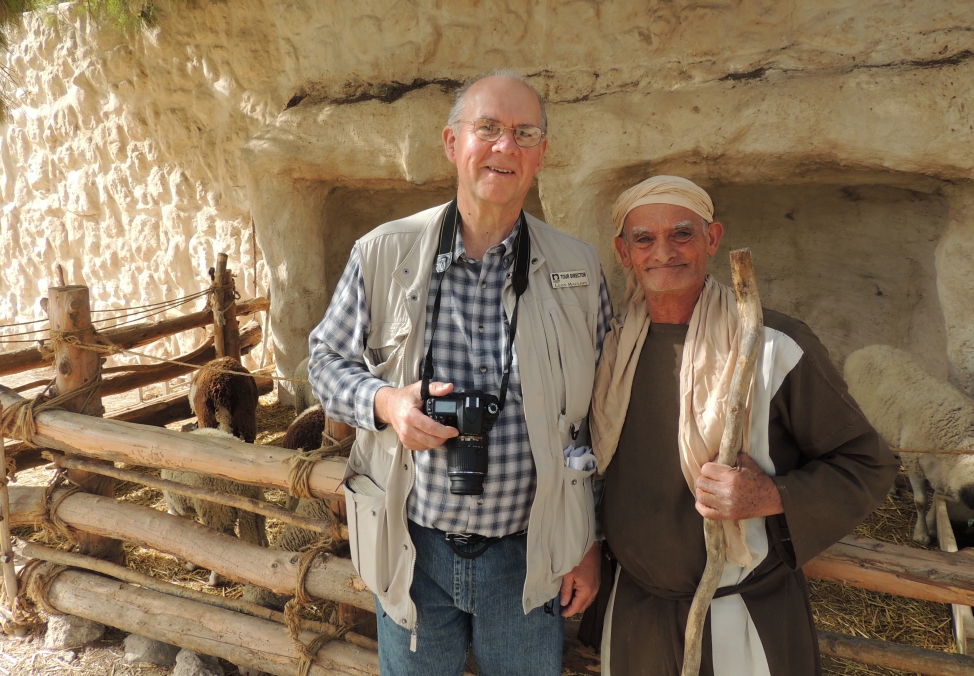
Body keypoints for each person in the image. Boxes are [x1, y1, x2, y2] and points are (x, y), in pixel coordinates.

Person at [307, 70, 613, 676]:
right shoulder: (382, 253)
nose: (506, 146)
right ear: (452, 143)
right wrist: (387, 403)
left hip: (531, 555)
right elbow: (323, 365)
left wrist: (590, 540)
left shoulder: (577, 270)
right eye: (488, 128)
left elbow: (602, 421)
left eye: (525, 133)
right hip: (412, 549)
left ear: (542, 155)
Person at [585, 175, 899, 676]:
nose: (663, 251)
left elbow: (867, 464)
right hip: (634, 614)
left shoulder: (772, 346)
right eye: (644, 238)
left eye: (682, 233)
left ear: (712, 239)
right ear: (624, 252)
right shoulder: (608, 349)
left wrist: (772, 496)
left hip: (743, 614)